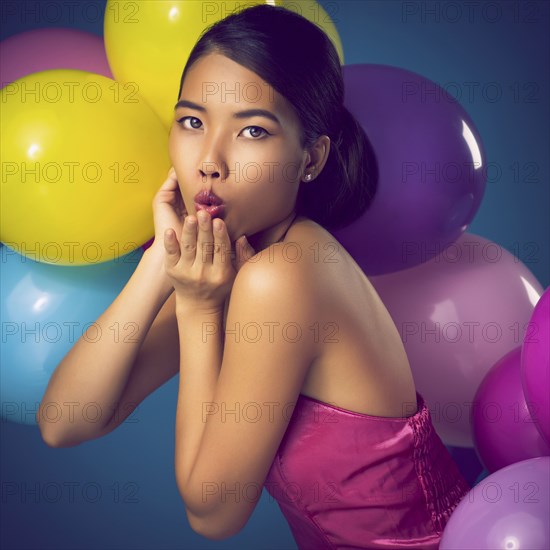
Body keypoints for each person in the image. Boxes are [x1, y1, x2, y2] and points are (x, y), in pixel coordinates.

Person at [37, 4, 470, 548]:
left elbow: (212, 514)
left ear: (310, 158)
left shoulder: (286, 274)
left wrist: (197, 311)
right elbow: (64, 422)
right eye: (192, 122)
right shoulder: (228, 260)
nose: (210, 160)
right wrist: (159, 260)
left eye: (253, 131)